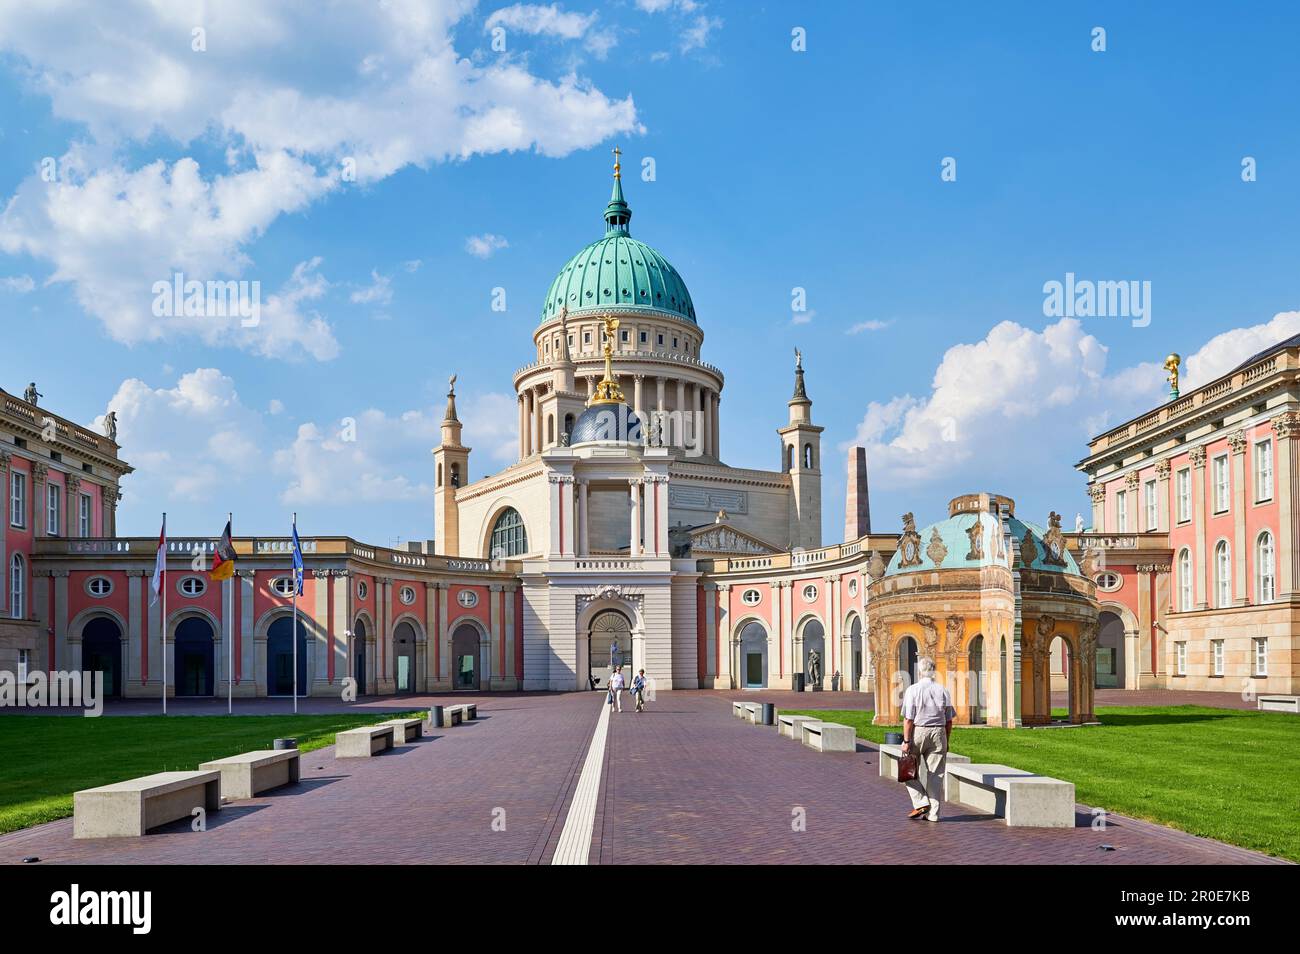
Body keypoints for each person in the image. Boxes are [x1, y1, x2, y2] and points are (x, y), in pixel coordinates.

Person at [899, 656, 955, 822]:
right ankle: (934, 814)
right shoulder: (943, 690)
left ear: (919, 672)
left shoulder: (913, 690)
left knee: (907, 770)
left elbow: (908, 719)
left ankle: (921, 801)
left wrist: (907, 741)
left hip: (919, 731)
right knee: (936, 775)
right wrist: (947, 740)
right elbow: (949, 720)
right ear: (933, 671)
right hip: (939, 732)